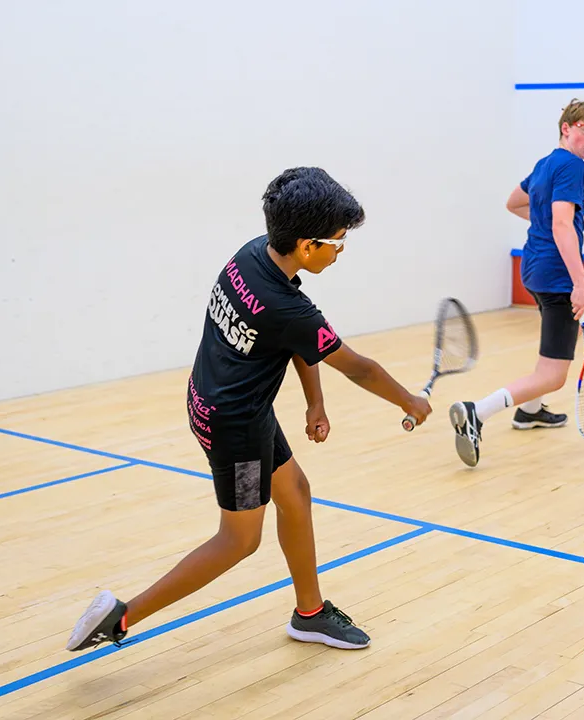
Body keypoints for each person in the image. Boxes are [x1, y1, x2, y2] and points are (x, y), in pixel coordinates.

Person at [66, 167, 431, 652]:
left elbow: (297, 341)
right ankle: (122, 616)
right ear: (307, 245)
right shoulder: (287, 307)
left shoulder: (254, 255)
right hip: (235, 428)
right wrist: (409, 400)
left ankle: (311, 613)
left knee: (296, 492)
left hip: (225, 402)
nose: (339, 251)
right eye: (337, 243)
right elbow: (358, 368)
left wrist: (315, 402)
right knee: (239, 540)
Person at [449, 99, 584, 467]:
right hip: (556, 277)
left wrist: (539, 225)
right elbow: (562, 224)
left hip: (533, 269)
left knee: (549, 354)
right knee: (553, 375)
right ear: (566, 128)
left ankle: (530, 412)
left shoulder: (545, 163)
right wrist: (580, 281)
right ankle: (478, 412)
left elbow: (514, 202)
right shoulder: (572, 166)